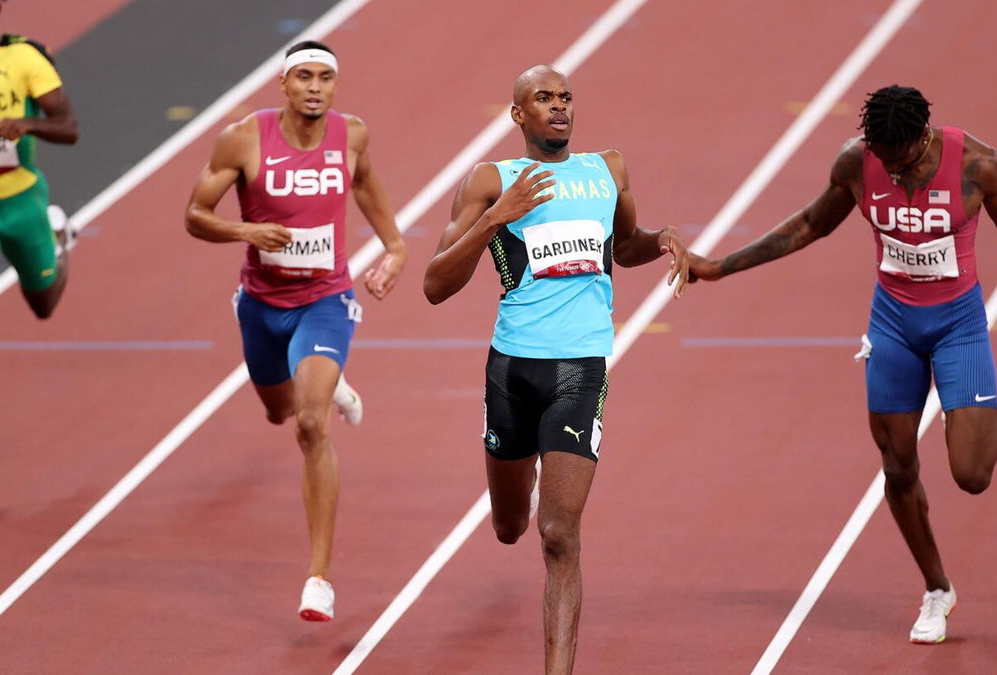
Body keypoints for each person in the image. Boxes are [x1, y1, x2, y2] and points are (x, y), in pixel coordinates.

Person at [688, 85, 997, 644]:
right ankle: (937, 588)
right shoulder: (857, 161)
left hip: (959, 325)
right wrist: (718, 268)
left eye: (902, 159)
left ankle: (965, 418)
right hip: (893, 326)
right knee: (897, 464)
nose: (894, 171)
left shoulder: (979, 165)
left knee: (973, 475)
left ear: (923, 135)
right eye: (884, 160)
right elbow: (811, 224)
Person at [423, 65, 688, 673]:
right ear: (519, 115)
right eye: (544, 98)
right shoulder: (492, 181)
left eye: (566, 97)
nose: (559, 107)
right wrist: (497, 217)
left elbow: (623, 245)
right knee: (511, 526)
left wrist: (664, 238)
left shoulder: (607, 170)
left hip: (580, 367)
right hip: (512, 369)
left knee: (557, 534)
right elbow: (435, 284)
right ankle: (523, 479)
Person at [185, 41, 407, 622]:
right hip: (261, 304)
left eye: (325, 79)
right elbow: (195, 215)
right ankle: (328, 381)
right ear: (283, 85)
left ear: (335, 87)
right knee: (278, 410)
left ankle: (319, 579)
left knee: (310, 424)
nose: (315, 87)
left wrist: (395, 245)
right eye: (304, 77)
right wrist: (245, 233)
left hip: (325, 299)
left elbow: (365, 184)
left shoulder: (351, 134)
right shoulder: (243, 139)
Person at [0, 0, 78, 367]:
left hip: (20, 199)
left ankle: (59, 238)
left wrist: (28, 124)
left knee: (43, 303)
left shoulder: (24, 58)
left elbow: (68, 128)